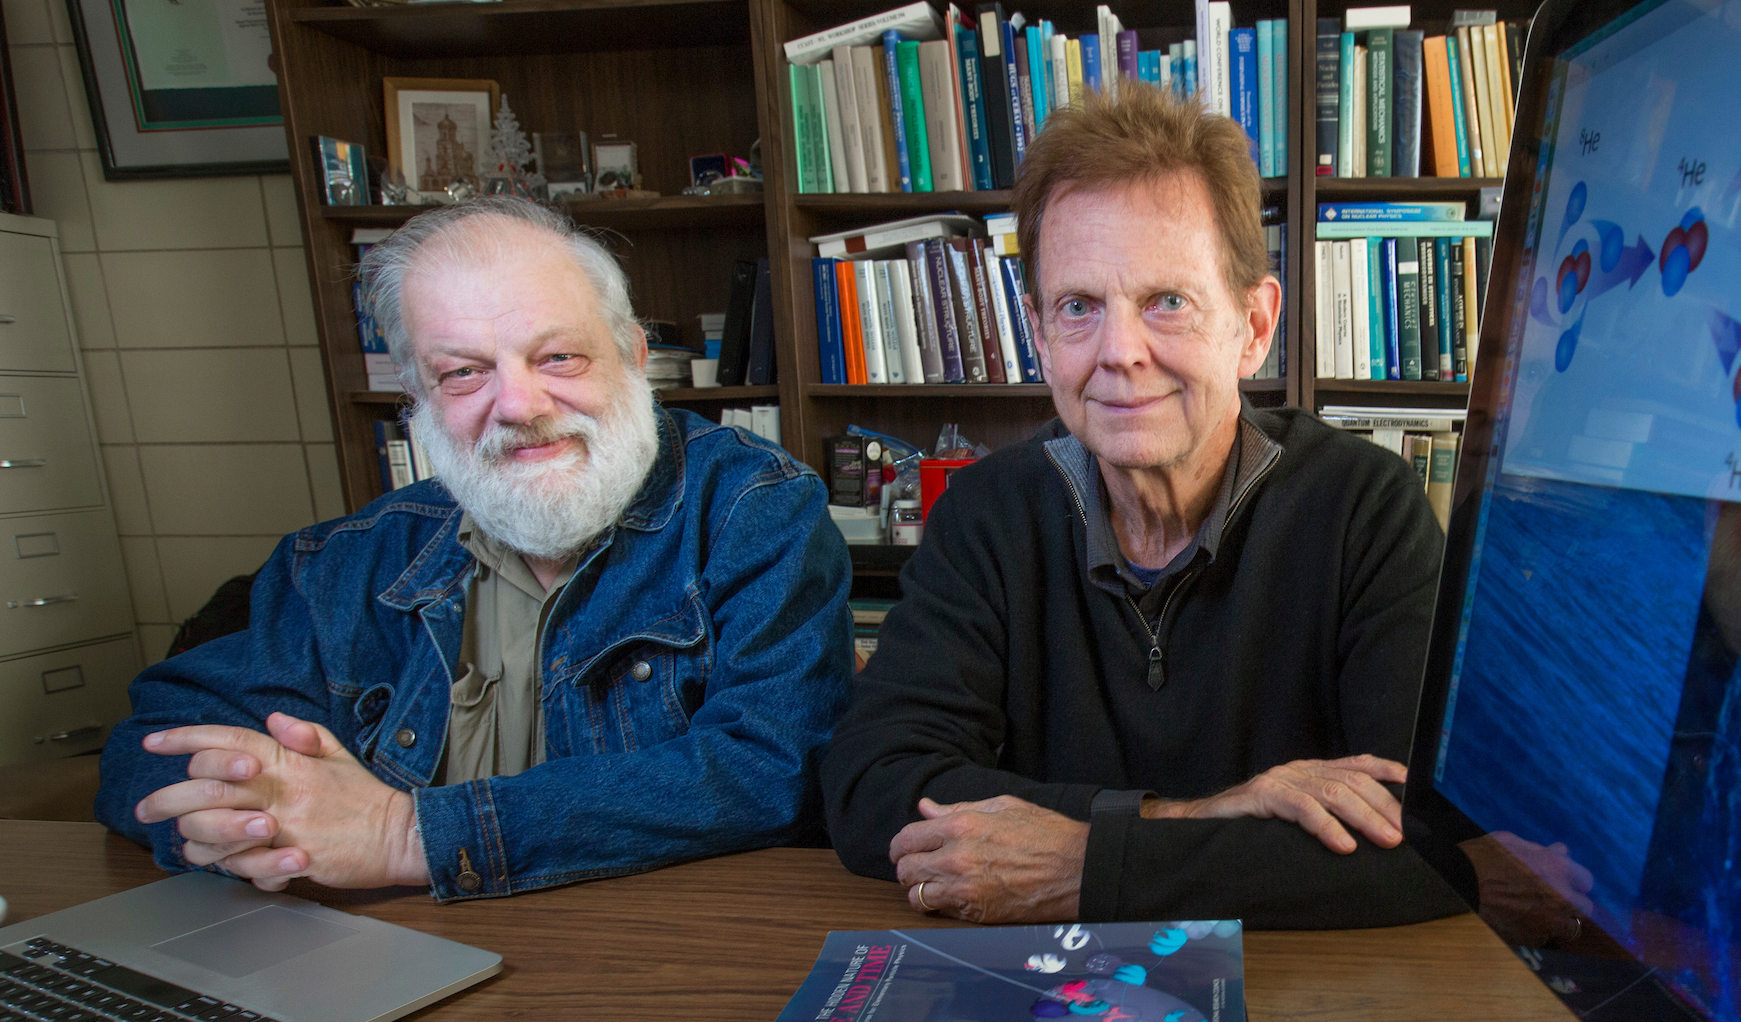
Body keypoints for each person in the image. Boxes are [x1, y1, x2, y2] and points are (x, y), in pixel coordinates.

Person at [822, 83, 1464, 928]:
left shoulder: (1364, 509)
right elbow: (874, 788)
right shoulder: (988, 514)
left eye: (1168, 301)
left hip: (1311, 1010)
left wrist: (1084, 865)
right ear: (1041, 334)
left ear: (1255, 323)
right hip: (1037, 1002)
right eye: (1080, 307)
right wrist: (1199, 817)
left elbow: (1422, 847)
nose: (1121, 353)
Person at [96, 197, 852, 900]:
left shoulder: (754, 508)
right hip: (398, 953)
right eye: (463, 373)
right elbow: (149, 745)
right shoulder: (347, 558)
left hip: (664, 951)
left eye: (558, 358)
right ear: (418, 402)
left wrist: (405, 835)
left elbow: (772, 770)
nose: (519, 405)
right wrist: (246, 817)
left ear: (632, 355)